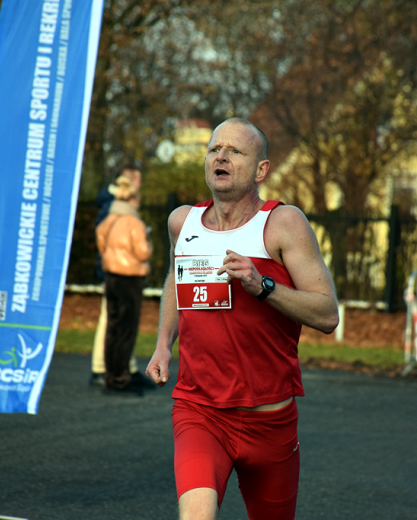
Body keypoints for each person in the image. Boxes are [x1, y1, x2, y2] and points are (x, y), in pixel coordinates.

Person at [145, 118, 339, 519]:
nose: (221, 156)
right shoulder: (183, 222)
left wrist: (262, 285)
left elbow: (327, 313)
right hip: (200, 412)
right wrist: (164, 343)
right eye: (215, 148)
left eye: (235, 151)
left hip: (269, 421)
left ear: (261, 170)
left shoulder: (283, 223)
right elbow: (174, 279)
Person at [96, 173, 153, 396]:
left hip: (111, 276)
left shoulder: (108, 220)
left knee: (112, 329)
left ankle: (111, 377)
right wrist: (148, 240)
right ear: (132, 200)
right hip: (130, 278)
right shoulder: (134, 223)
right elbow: (142, 252)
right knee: (126, 331)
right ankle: (121, 379)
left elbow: (101, 245)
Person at [89, 167, 141, 387]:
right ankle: (102, 367)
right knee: (112, 321)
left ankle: (125, 366)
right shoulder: (117, 206)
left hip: (113, 269)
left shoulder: (111, 205)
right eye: (138, 180)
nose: (140, 185)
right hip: (118, 272)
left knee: (117, 320)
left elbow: (102, 236)